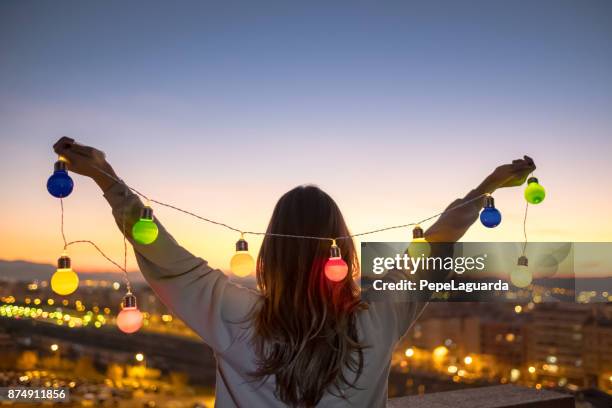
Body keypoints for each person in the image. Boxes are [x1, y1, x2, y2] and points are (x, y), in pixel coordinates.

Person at [53, 136, 535, 407]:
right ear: (343, 249)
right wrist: (489, 186)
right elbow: (437, 245)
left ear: (269, 255)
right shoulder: (380, 316)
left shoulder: (232, 313)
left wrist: (107, 179)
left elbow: (163, 253)